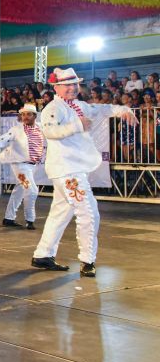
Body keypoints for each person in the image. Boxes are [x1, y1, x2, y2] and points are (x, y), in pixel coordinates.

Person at [31, 67, 137, 277]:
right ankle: (87, 260)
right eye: (67, 85)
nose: (72, 88)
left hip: (72, 169)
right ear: (57, 87)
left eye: (74, 84)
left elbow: (103, 110)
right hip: (68, 171)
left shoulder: (79, 106)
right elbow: (50, 131)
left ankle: (43, 254)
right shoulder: (53, 108)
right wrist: (77, 125)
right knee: (89, 213)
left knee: (60, 214)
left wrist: (123, 109)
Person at [0, 103, 46, 229]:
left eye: (28, 114)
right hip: (20, 165)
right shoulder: (17, 130)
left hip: (32, 165)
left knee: (19, 190)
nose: (25, 117)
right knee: (31, 189)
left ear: (35, 116)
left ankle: (8, 218)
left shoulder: (40, 128)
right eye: (23, 114)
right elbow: (4, 139)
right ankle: (30, 220)